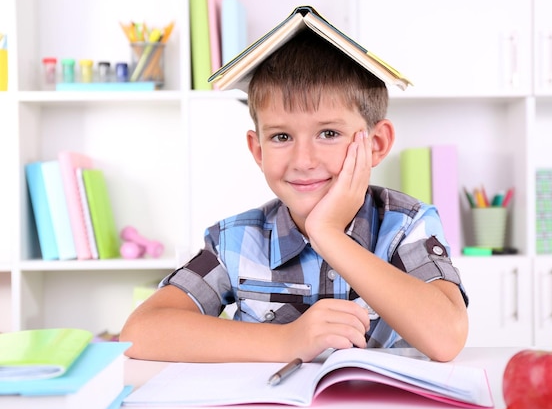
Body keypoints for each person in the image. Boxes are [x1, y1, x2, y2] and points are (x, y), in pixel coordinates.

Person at [120, 28, 469, 364]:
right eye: (281, 137)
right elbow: (140, 332)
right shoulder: (235, 240)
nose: (303, 161)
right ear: (258, 150)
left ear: (375, 144)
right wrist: (288, 340)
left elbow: (447, 337)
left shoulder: (407, 226)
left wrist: (328, 234)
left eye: (328, 133)